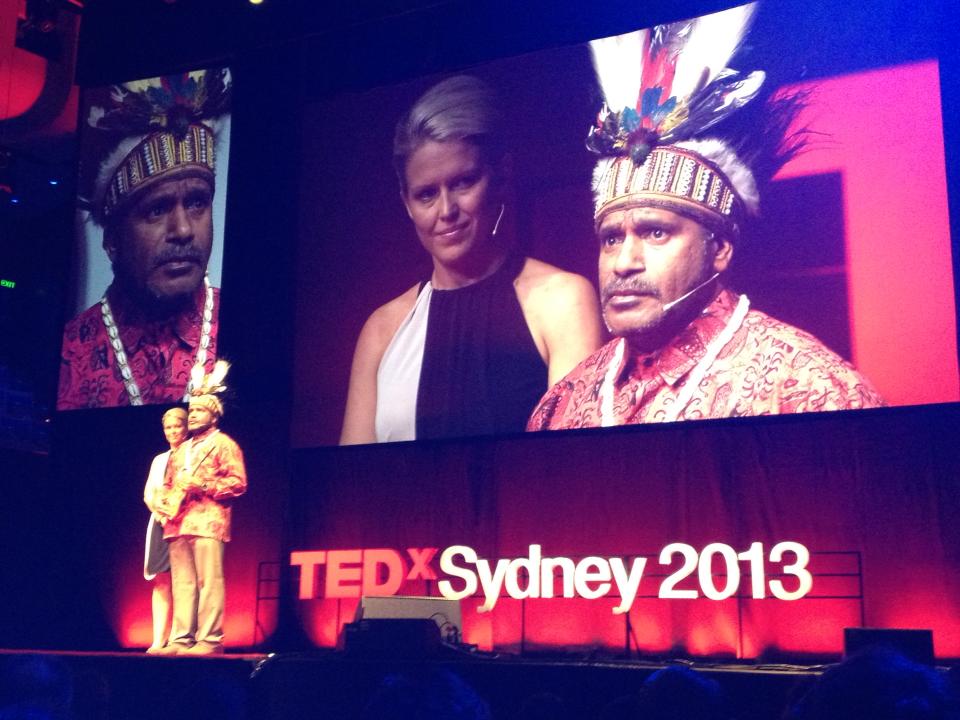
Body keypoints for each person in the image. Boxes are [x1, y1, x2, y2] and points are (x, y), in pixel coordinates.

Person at [527, 4, 884, 431]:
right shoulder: (562, 406)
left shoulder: (812, 393)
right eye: (610, 239)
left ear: (719, 249)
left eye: (655, 232)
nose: (624, 263)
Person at [340, 75, 604, 444]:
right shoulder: (381, 331)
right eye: (426, 194)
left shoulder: (562, 301)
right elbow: (352, 482)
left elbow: (574, 466)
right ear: (406, 202)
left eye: (463, 182)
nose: (446, 210)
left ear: (500, 176)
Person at [57, 69, 230, 410]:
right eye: (156, 209)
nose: (183, 230)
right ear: (112, 240)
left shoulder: (248, 326)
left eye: (197, 202)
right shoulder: (70, 354)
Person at [156, 361, 246, 655]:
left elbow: (238, 482)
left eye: (198, 411)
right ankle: (180, 638)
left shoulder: (224, 444)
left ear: (213, 414)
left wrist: (204, 485)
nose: (192, 415)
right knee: (182, 583)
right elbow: (168, 483)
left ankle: (209, 639)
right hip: (177, 523)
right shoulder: (179, 450)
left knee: (209, 581)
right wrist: (162, 500)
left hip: (208, 520)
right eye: (191, 410)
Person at [142, 406, 187, 654]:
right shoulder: (159, 460)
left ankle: (180, 639)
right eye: (168, 428)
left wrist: (174, 510)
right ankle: (158, 639)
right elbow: (149, 492)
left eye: (177, 426)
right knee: (161, 581)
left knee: (184, 582)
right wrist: (157, 508)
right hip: (160, 522)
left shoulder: (192, 454)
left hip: (184, 523)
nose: (172, 431)